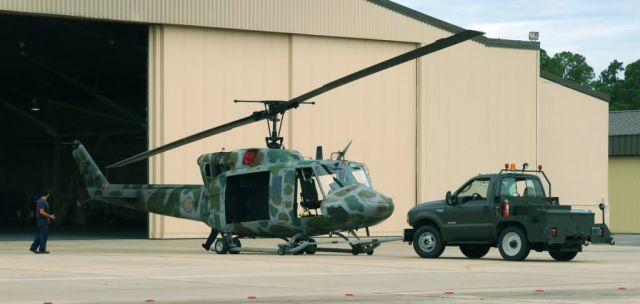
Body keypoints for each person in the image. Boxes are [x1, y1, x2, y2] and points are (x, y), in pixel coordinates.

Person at [29, 189, 55, 254]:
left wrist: (47, 218)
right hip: (42, 221)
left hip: (43, 220)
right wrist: (50, 216)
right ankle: (42, 249)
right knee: (43, 235)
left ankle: (33, 248)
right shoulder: (42, 202)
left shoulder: (42, 201)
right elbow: (41, 212)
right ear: (47, 194)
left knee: (39, 235)